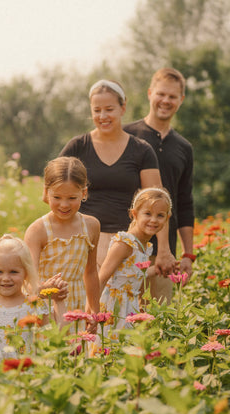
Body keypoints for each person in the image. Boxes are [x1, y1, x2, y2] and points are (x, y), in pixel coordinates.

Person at [59, 79, 175, 275]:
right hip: (84, 243)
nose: (102, 116)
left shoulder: (141, 150)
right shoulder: (77, 147)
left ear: (123, 108)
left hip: (128, 244)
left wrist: (163, 249)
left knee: (124, 302)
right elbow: (52, 194)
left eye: (109, 109)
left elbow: (158, 202)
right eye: (97, 110)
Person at [0, 234, 67, 399]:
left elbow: (57, 335)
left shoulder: (34, 304)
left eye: (14, 271)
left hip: (18, 373)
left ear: (26, 273)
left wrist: (58, 302)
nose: (5, 278)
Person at [124, 68, 194, 303]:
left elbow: (184, 202)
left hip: (165, 255)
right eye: (161, 94)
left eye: (173, 97)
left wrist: (188, 254)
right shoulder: (127, 136)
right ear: (150, 93)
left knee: (160, 321)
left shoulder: (184, 148)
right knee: (122, 319)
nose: (166, 101)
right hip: (127, 249)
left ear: (181, 100)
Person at [24, 156, 100, 323]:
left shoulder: (91, 226)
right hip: (46, 307)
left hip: (77, 305)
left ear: (84, 193)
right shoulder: (38, 230)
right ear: (46, 192)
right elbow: (29, 282)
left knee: (76, 349)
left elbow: (91, 272)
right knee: (51, 348)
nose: (64, 205)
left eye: (72, 198)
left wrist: (94, 310)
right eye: (57, 197)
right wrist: (47, 290)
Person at [98, 187, 172, 340]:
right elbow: (102, 277)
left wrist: (155, 270)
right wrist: (92, 310)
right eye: (147, 214)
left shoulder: (144, 245)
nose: (153, 220)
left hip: (129, 306)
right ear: (134, 214)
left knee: (125, 350)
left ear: (167, 218)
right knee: (108, 346)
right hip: (113, 305)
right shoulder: (125, 243)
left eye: (160, 215)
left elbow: (132, 274)